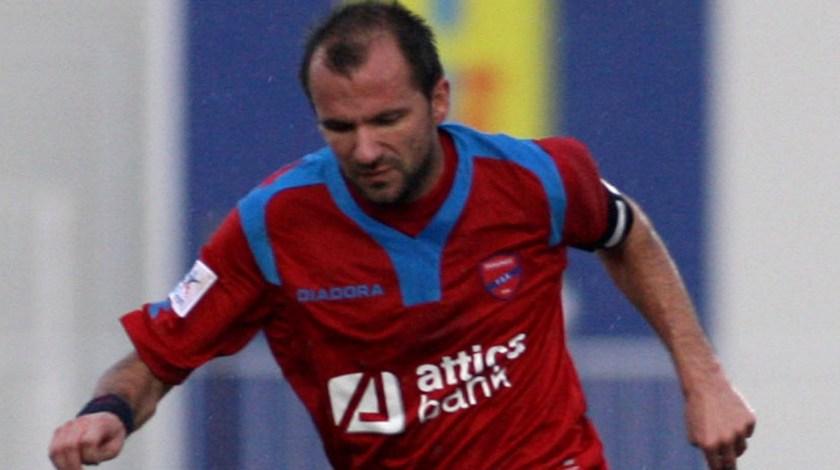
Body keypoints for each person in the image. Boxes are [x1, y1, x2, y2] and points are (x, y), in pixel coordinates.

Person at [48, 2, 756, 469]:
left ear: (438, 98)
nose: (364, 150)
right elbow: (154, 360)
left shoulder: (533, 177)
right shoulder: (272, 226)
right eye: (340, 127)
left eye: (387, 120)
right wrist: (107, 412)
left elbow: (627, 233)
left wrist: (705, 381)